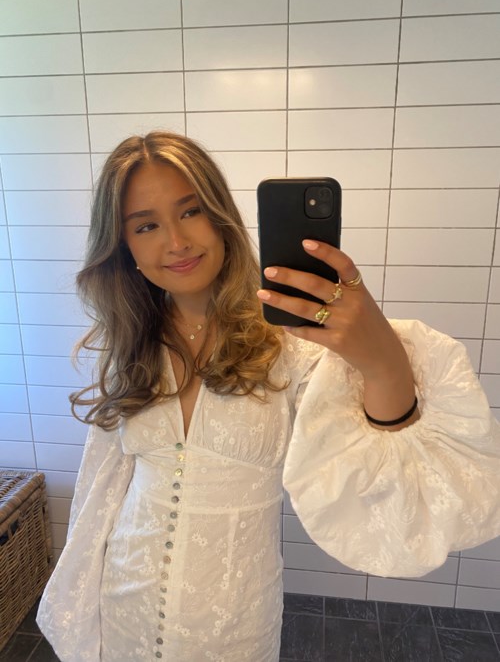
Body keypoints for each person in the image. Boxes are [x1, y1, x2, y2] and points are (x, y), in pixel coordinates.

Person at [37, 131, 500, 662]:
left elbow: (382, 472)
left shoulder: (291, 343)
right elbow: (103, 489)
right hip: (124, 606)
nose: (176, 241)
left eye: (190, 211)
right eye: (146, 225)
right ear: (125, 248)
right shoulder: (130, 343)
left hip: (231, 625)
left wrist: (383, 362)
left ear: (221, 216)